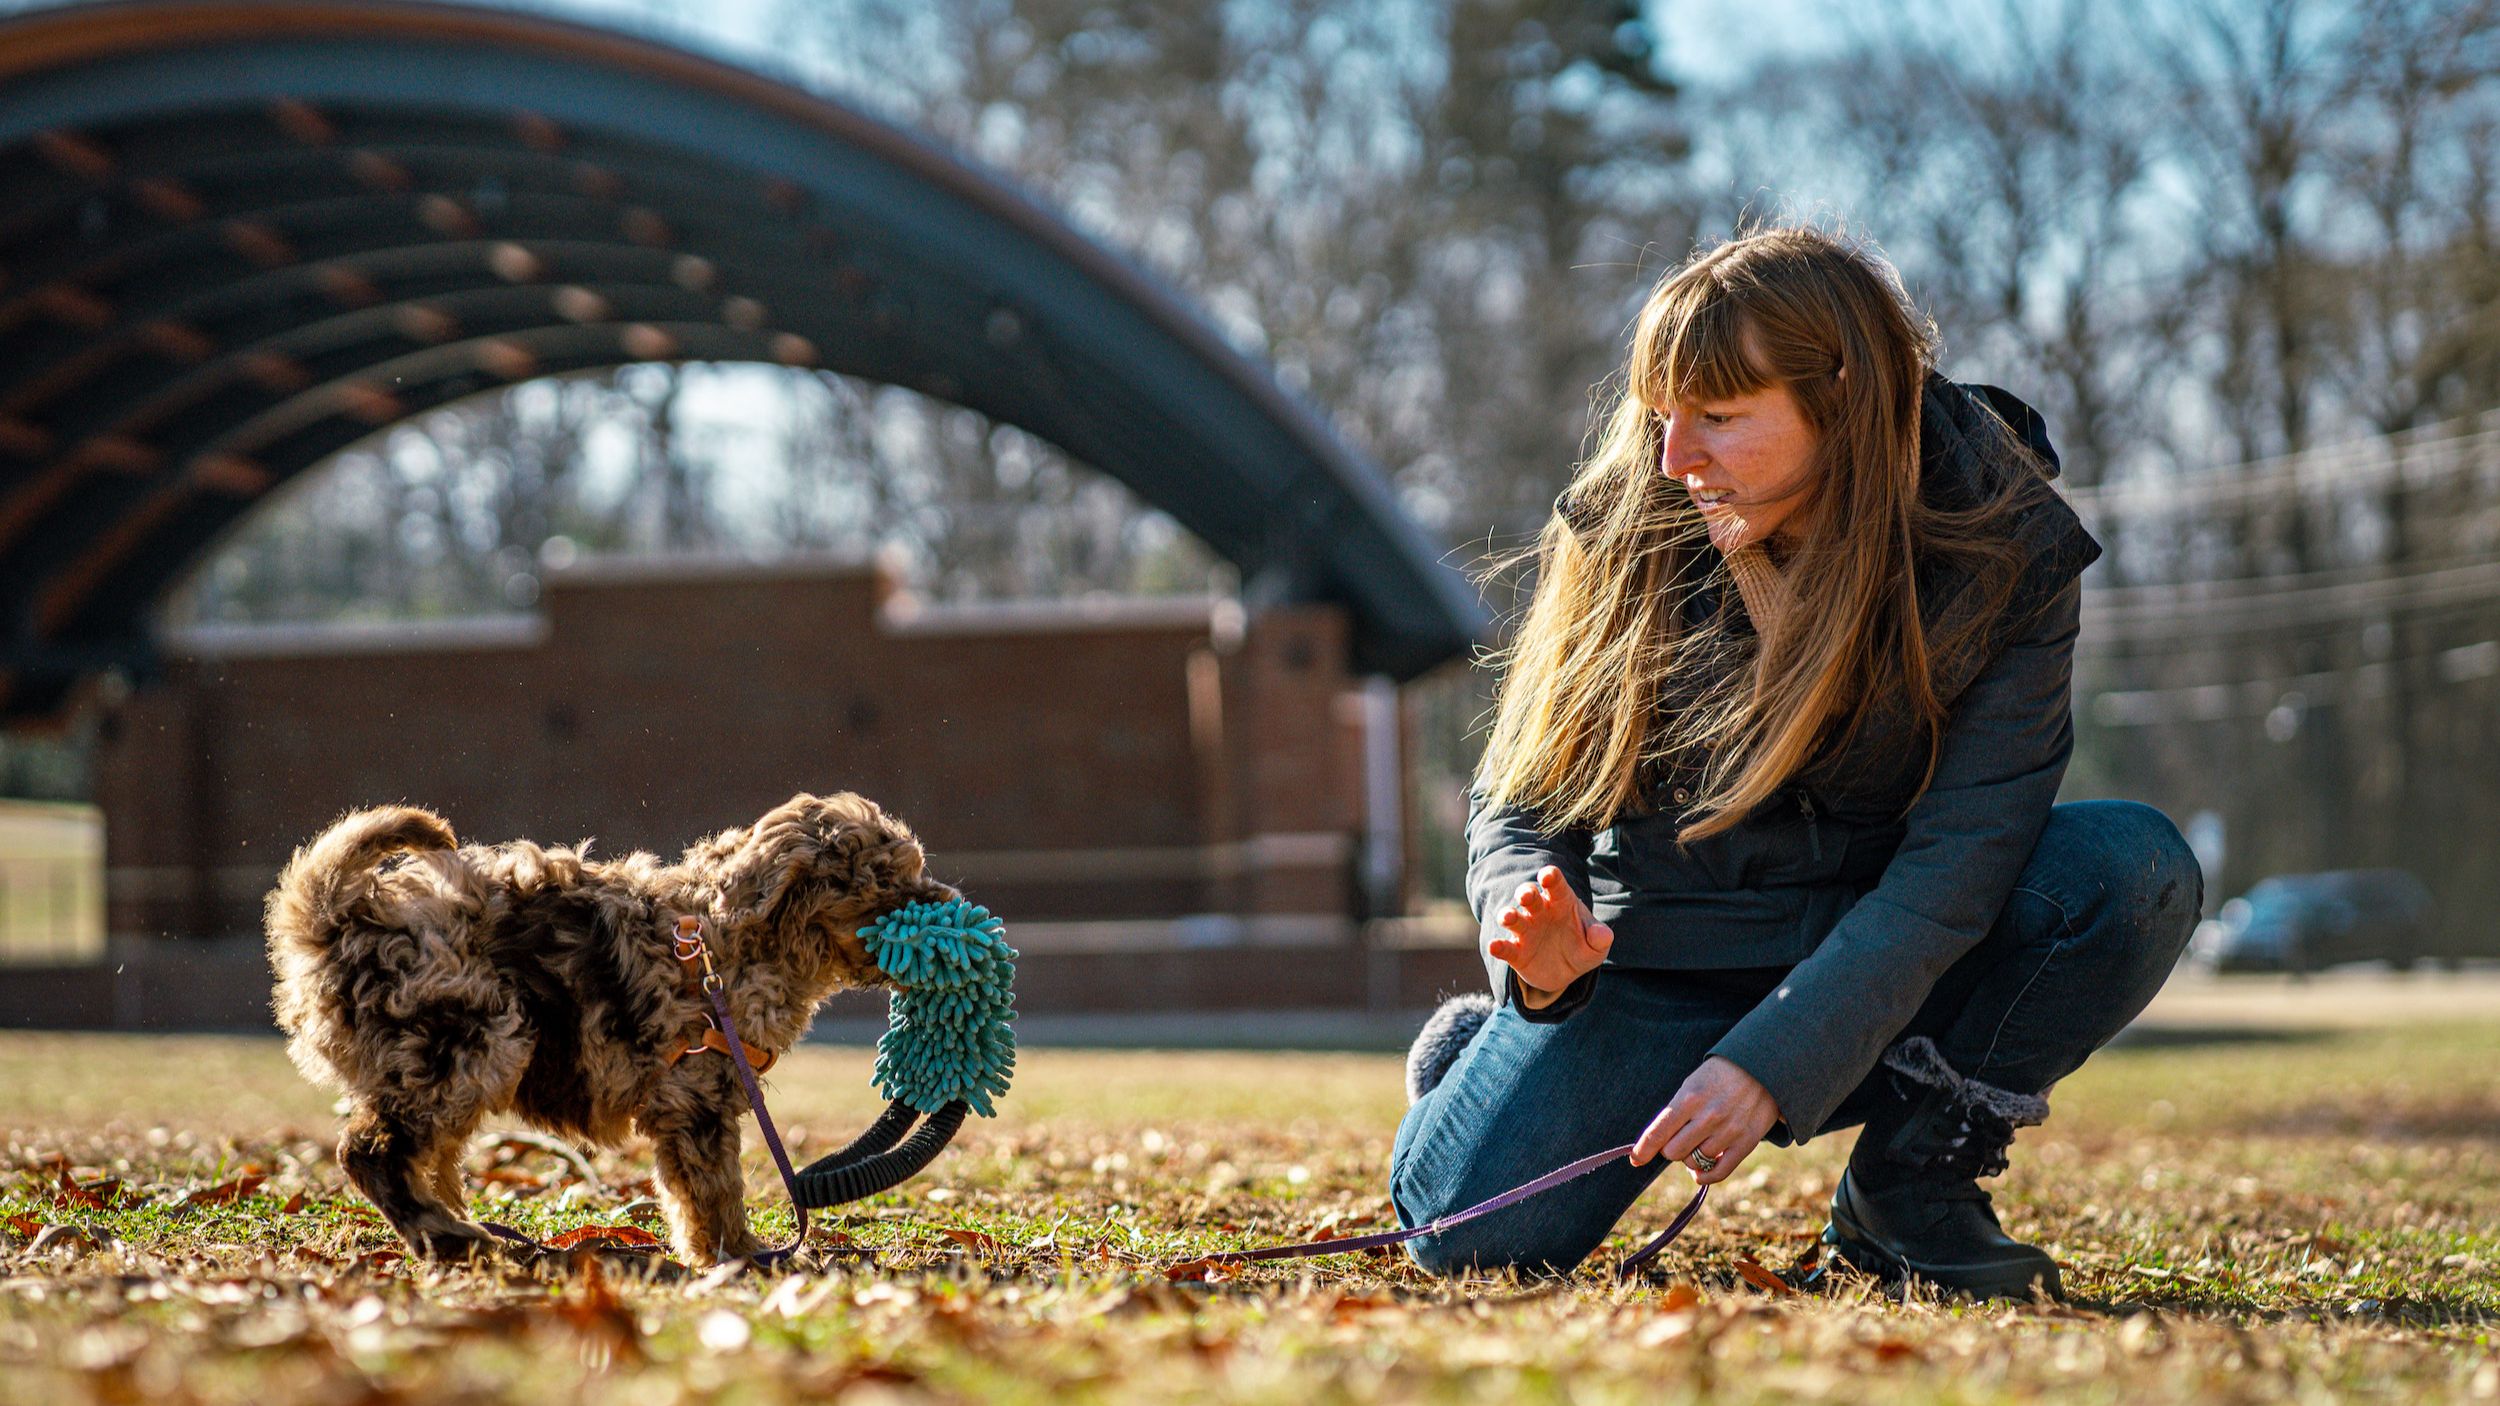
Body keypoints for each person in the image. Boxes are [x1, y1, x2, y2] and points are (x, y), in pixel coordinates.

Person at [1390, 225, 2203, 1302]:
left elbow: (1959, 864)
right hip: (1653, 955)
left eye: (1719, 418)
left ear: (1844, 403)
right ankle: (1481, 1056)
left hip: (1881, 955)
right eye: (1662, 414)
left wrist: (1777, 1056)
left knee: (2126, 871)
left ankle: (1909, 1187)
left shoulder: (2007, 547)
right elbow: (1520, 792)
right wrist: (1530, 954)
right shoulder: (1633, 507)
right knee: (1466, 1238)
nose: (1674, 456)